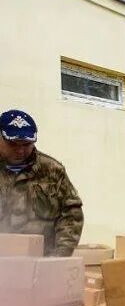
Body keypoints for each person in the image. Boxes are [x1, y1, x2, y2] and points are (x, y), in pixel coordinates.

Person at [0, 109, 83, 257]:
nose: (20, 151)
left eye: (26, 144)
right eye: (13, 144)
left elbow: (71, 213)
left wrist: (60, 255)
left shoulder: (52, 170)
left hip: (43, 261)